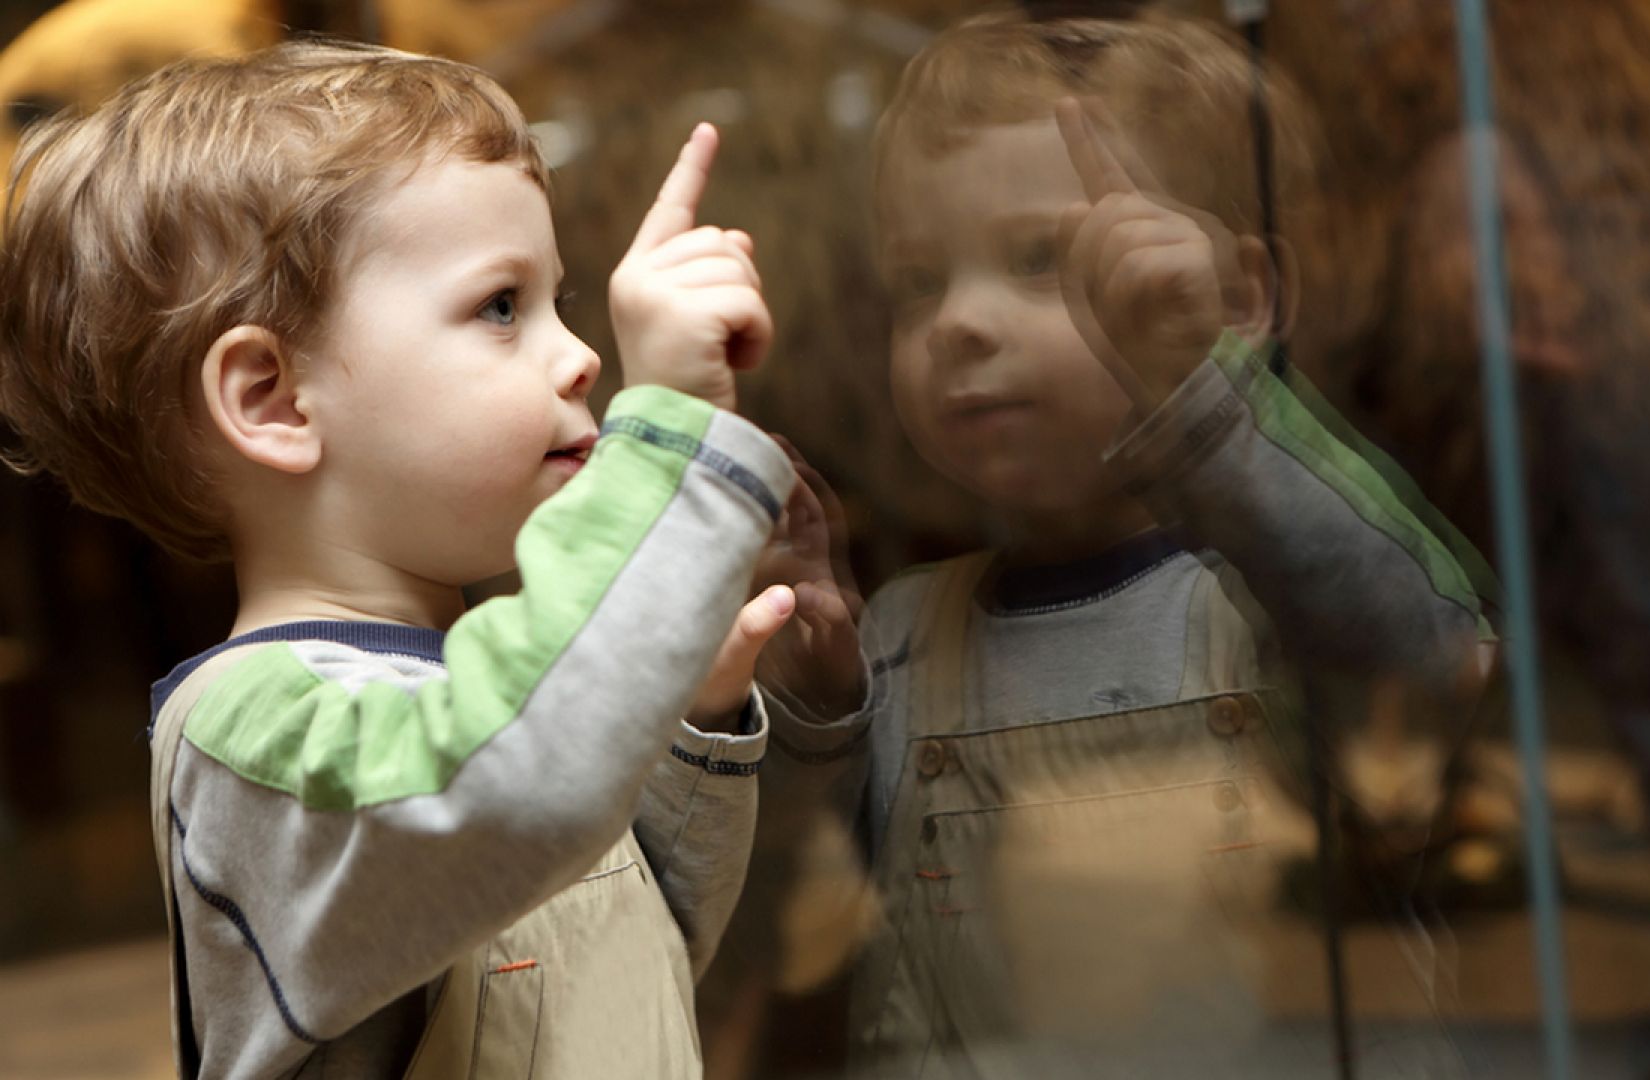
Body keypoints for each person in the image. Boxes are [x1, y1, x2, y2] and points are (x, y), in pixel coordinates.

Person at [0, 40, 796, 1078]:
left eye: (555, 298)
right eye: (501, 306)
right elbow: (522, 794)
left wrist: (685, 724)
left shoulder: (484, 701)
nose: (583, 355)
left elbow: (639, 952)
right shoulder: (258, 738)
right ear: (273, 400)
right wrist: (670, 432)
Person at [735, 9, 1501, 1076]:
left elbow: (1431, 645)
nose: (960, 321)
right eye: (920, 282)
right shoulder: (902, 632)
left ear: (1237, 296)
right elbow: (802, 907)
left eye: (1044, 258)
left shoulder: (1272, 599)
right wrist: (814, 704)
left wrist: (1198, 386)